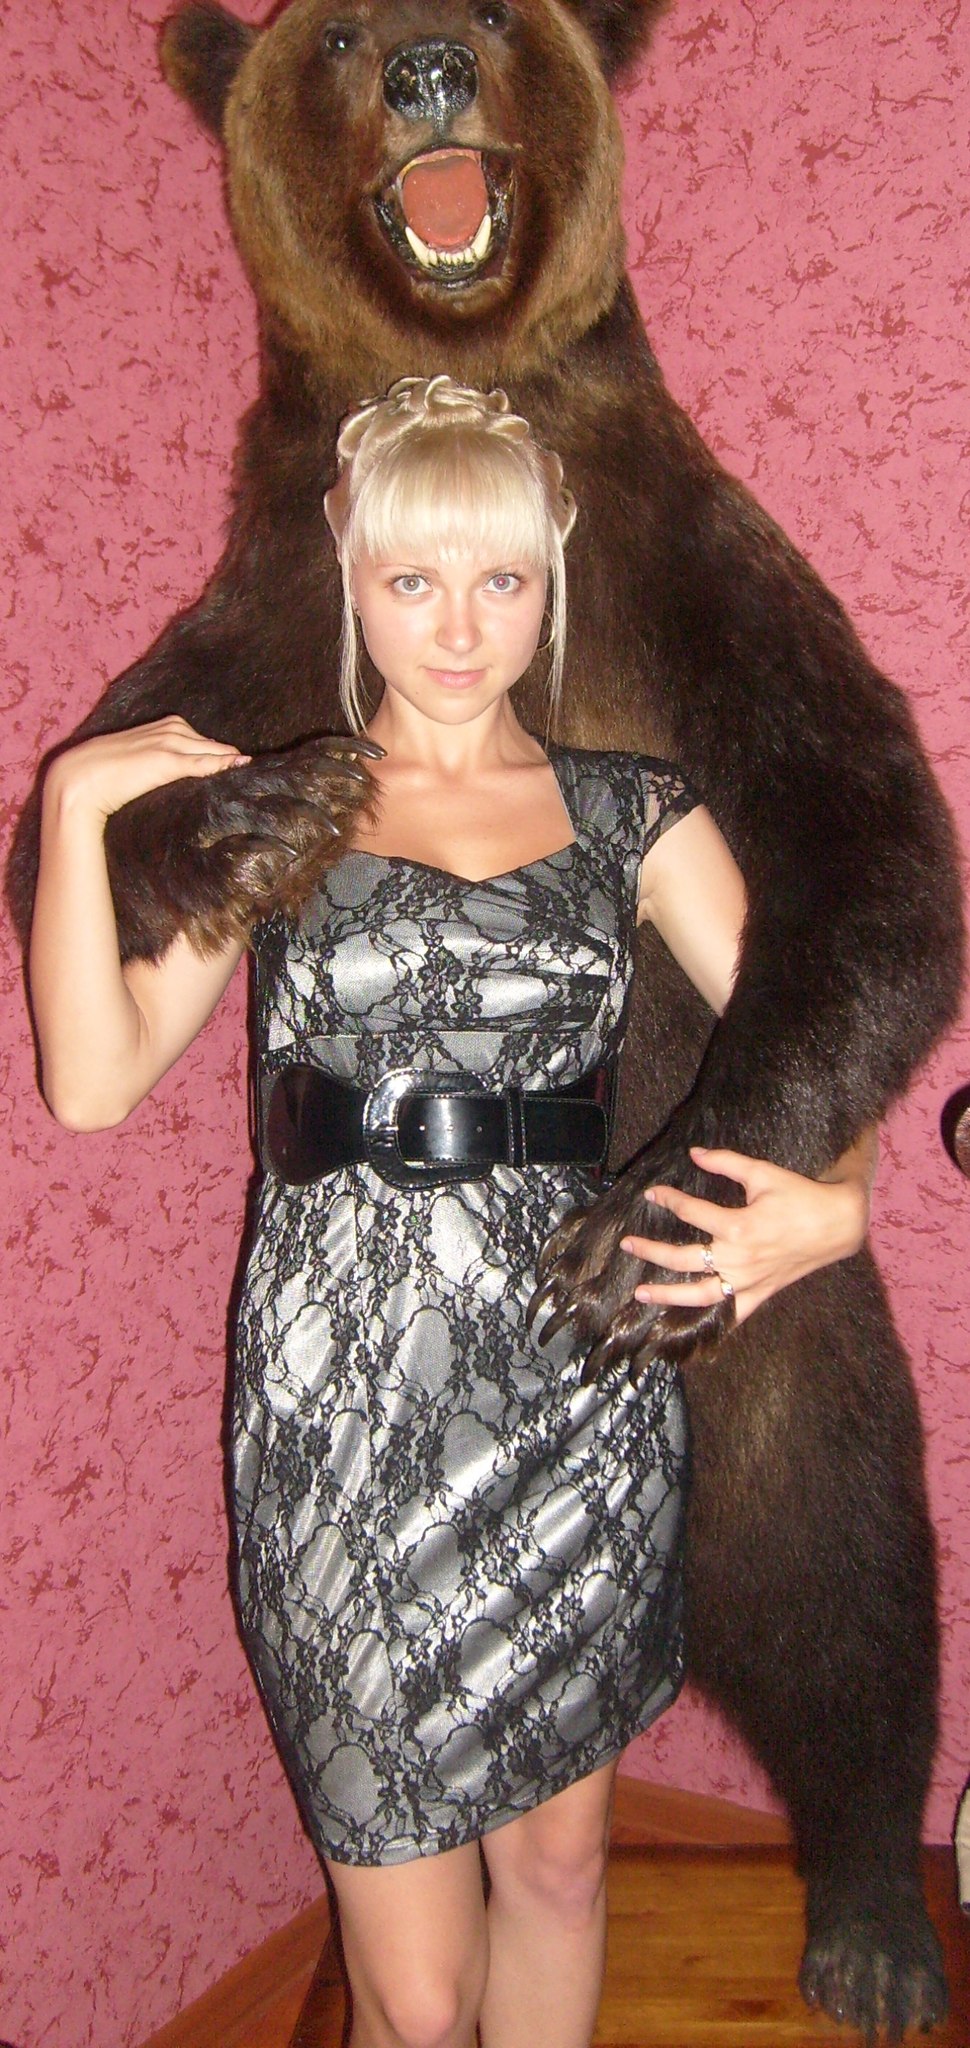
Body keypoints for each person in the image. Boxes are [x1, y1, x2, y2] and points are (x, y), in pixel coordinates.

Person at [29, 376, 876, 2048]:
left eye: (501, 578)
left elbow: (812, 1046)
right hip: (335, 1403)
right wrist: (71, 806)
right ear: (348, 572)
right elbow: (94, 1081)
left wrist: (832, 1211)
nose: (461, 626)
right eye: (414, 579)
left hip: (572, 1390)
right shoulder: (293, 808)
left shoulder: (634, 811)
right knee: (414, 1996)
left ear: (549, 576)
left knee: (558, 1868)